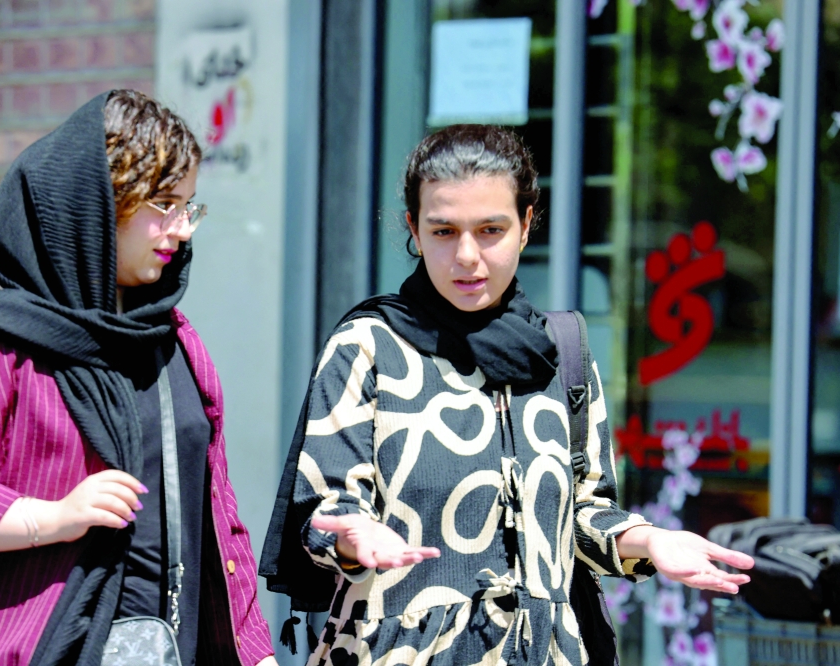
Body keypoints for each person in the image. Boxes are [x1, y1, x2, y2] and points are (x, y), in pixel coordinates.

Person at [260, 124, 754, 665]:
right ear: (414, 230)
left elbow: (585, 511)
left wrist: (648, 542)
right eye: (444, 231)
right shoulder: (371, 345)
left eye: (490, 230)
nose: (467, 256)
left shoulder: (560, 350)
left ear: (525, 225)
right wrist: (352, 535)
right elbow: (324, 510)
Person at [0, 90, 277, 666]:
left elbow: (217, 518)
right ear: (95, 206)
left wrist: (254, 653)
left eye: (189, 206)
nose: (183, 229)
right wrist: (50, 518)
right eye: (163, 204)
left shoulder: (173, 343)